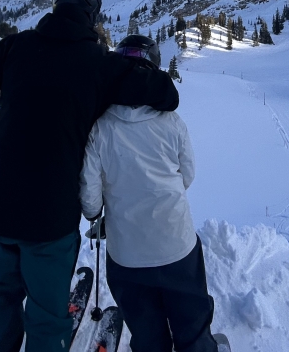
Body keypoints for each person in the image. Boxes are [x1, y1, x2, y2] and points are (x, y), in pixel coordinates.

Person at [0, 0, 180, 352]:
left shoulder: (16, 46)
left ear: (56, 5)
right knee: (46, 311)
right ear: (93, 14)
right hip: (48, 217)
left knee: (0, 298)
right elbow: (165, 93)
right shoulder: (102, 65)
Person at [79, 34, 220, 352]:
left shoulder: (100, 127)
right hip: (176, 244)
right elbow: (187, 175)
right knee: (191, 321)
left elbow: (90, 193)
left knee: (145, 331)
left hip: (126, 254)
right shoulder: (171, 121)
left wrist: (96, 214)